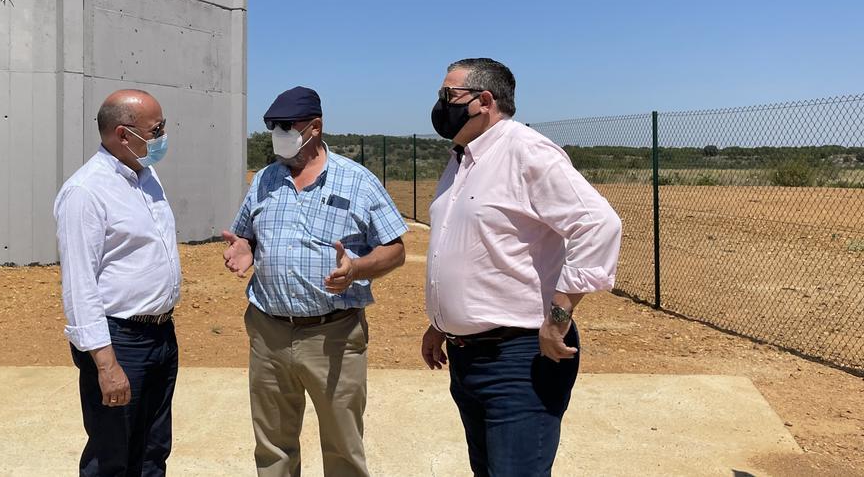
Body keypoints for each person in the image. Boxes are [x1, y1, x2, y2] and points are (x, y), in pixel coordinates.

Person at [419, 58, 622, 476]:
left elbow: (598, 224)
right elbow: (474, 250)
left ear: (485, 100)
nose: (440, 105)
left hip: (520, 360)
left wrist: (559, 316)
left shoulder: (526, 152)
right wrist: (442, 323)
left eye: (449, 95)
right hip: (467, 359)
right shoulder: (461, 161)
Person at [222, 86, 408, 477]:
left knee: (342, 448)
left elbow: (395, 250)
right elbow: (247, 235)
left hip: (333, 337)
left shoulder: (358, 181)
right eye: (272, 126)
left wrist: (356, 269)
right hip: (268, 334)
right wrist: (245, 248)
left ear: (315, 128)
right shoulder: (265, 180)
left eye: (285, 125)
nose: (277, 132)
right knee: (273, 448)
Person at [54, 89, 181, 477]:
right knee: (112, 456)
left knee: (153, 450)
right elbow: (79, 285)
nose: (162, 136)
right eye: (156, 129)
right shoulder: (85, 192)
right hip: (119, 341)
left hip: (160, 335)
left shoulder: (146, 176)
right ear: (124, 135)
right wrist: (106, 364)